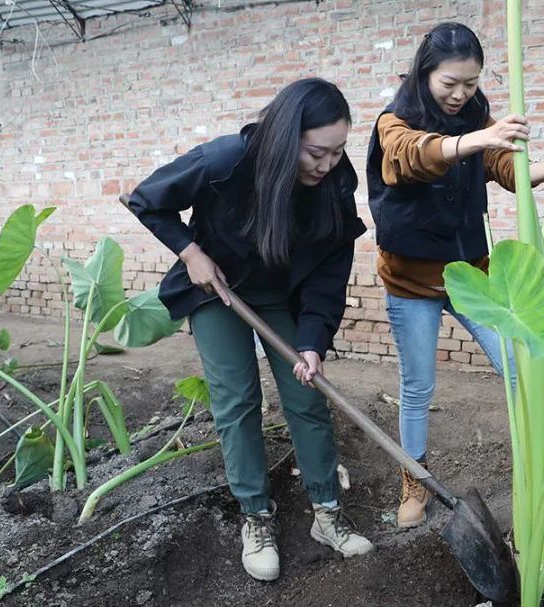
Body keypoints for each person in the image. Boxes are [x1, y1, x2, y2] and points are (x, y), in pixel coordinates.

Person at [366, 22, 544, 529]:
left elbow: (504, 166)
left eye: (471, 83)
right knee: (418, 386)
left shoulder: (476, 116)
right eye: (450, 84)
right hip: (412, 281)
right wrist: (479, 136)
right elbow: (415, 157)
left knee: (521, 371)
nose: (461, 94)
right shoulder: (394, 122)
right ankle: (415, 480)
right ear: (424, 74)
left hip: (473, 278)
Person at [127, 78, 373, 581]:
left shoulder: (335, 183)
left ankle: (327, 513)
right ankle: (255, 516)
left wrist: (312, 341)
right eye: (316, 153)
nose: (327, 165)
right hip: (219, 290)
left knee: (307, 396)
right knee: (236, 400)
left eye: (338, 152)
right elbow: (147, 199)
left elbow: (330, 269)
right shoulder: (226, 161)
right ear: (286, 137)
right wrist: (190, 252)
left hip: (284, 297)